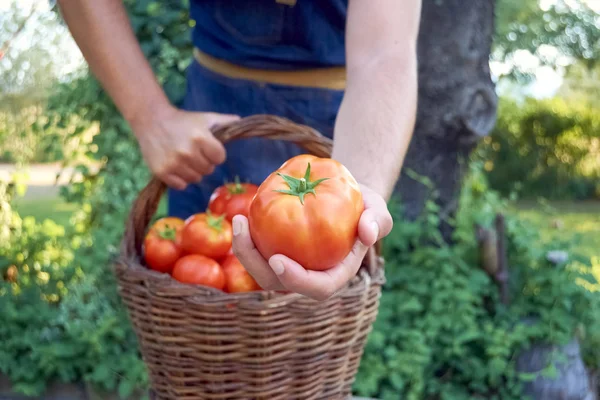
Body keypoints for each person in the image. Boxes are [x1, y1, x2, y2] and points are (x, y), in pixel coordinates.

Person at [57, 0, 421, 301]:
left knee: (309, 350)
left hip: (342, 120)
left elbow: (384, 54)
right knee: (190, 319)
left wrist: (359, 199)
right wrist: (150, 115)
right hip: (208, 114)